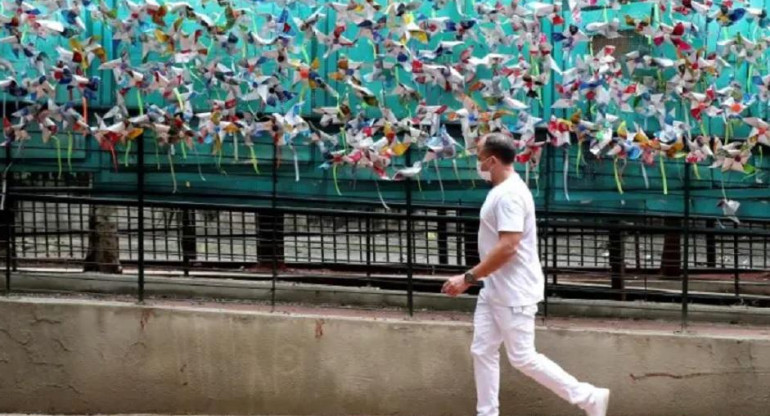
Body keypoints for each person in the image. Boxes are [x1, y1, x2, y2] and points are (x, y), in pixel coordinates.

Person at [441, 133, 610, 416]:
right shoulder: (504, 190)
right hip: (495, 289)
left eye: (479, 156)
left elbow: (509, 246)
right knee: (482, 351)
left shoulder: (509, 196)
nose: (477, 162)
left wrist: (467, 278)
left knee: (523, 357)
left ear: (492, 160)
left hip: (514, 293)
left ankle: (589, 397)